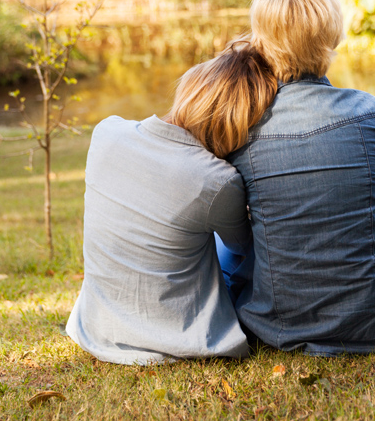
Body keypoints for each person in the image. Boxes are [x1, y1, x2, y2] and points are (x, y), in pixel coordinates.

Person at [222, 0, 375, 355]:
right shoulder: (371, 113)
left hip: (277, 326)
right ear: (333, 36)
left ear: (260, 41)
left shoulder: (243, 126)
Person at [65, 44, 277, 365]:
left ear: (190, 88)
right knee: (243, 248)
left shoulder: (106, 132)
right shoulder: (216, 179)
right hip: (178, 339)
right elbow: (244, 249)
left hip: (96, 328)